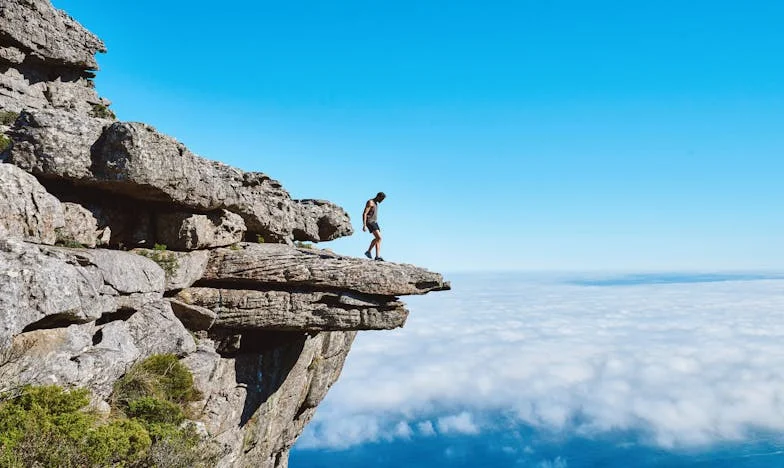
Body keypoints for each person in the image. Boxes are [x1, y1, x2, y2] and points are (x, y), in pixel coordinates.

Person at [362, 192, 386, 261]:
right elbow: (365, 213)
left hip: (374, 222)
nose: (382, 201)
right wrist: (364, 225)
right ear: (378, 196)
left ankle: (377, 256)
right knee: (378, 237)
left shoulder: (376, 203)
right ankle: (368, 251)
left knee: (379, 239)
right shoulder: (370, 202)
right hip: (370, 222)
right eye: (381, 199)